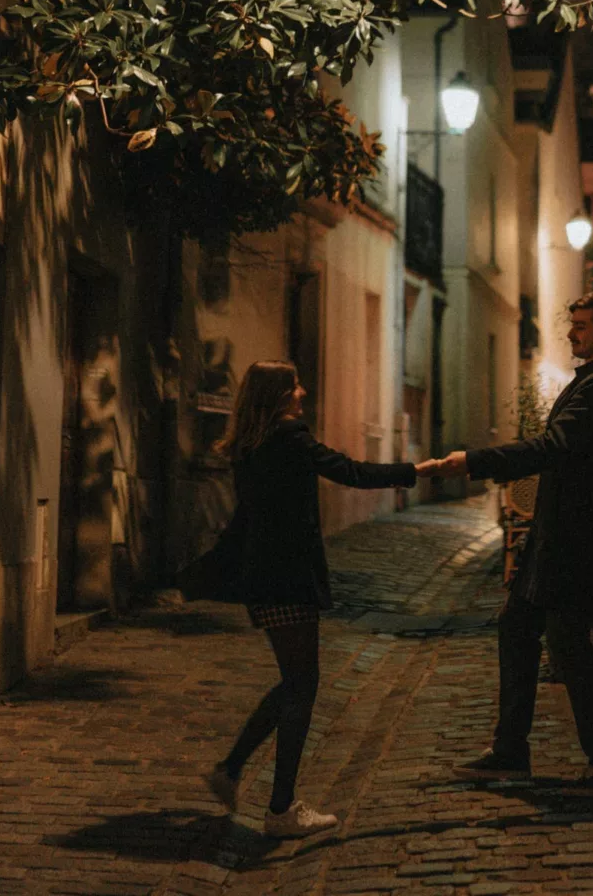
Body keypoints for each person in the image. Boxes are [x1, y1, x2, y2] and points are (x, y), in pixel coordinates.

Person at [417, 292, 593, 793]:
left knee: (569, 646)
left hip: (576, 543)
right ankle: (511, 749)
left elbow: (553, 448)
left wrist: (473, 461)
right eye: (572, 325)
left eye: (582, 327)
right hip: (558, 539)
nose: (571, 334)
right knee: (519, 628)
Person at [203, 359, 416, 838]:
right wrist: (415, 470)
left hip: (264, 578)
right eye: (295, 386)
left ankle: (231, 770)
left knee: (294, 682)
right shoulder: (289, 438)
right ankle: (281, 809)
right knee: (302, 685)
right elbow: (351, 471)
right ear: (279, 395)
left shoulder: (251, 445)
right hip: (288, 578)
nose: (303, 392)